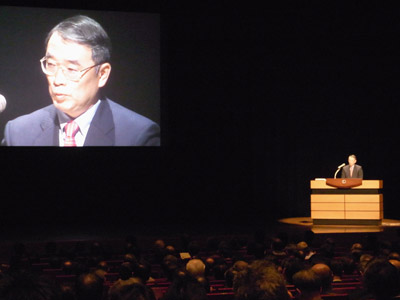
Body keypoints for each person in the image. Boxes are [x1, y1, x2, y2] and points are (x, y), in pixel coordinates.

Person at [2, 15, 160, 146]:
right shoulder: (17, 133)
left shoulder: (138, 136)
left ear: (102, 74)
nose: (57, 80)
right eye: (51, 65)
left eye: (71, 69)